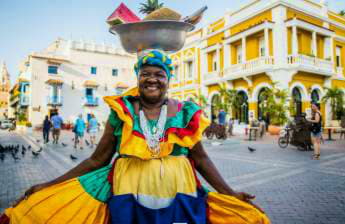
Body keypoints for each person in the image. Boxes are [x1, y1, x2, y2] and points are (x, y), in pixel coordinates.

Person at [0, 52, 269, 223]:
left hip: (180, 194)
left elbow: (201, 158)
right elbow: (97, 160)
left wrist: (230, 193)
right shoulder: (122, 112)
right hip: (128, 195)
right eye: (145, 74)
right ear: (138, 79)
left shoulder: (185, 113)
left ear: (169, 80)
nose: (152, 79)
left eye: (159, 74)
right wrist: (49, 184)